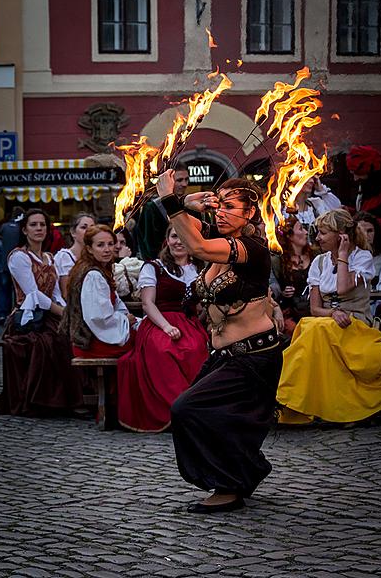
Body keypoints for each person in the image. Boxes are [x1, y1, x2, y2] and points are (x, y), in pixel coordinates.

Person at [155, 171, 283, 513]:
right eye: (218, 204)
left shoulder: (251, 249)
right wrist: (184, 201)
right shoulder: (217, 237)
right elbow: (189, 231)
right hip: (225, 356)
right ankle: (240, 477)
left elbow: (195, 245)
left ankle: (229, 486)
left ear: (251, 212)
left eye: (230, 206)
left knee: (189, 409)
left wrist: (171, 200)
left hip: (253, 358)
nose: (220, 212)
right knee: (221, 419)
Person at [277, 209, 381, 425]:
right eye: (318, 232)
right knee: (311, 326)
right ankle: (289, 395)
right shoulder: (319, 263)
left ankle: (289, 395)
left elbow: (343, 288)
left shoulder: (362, 258)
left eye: (323, 233)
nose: (317, 238)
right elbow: (315, 309)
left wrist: (343, 255)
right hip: (328, 321)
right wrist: (333, 313)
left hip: (356, 323)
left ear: (342, 235)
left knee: (316, 329)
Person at [117, 225, 208, 433]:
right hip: (158, 322)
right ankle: (176, 410)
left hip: (189, 322)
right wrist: (167, 327)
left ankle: (194, 409)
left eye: (183, 237)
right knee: (164, 349)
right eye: (174, 236)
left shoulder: (200, 269)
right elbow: (148, 304)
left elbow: (202, 306)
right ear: (167, 240)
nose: (178, 242)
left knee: (196, 349)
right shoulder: (154, 267)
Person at [0, 209, 83, 416]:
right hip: (29, 317)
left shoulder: (49, 258)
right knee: (51, 342)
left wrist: (66, 310)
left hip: (51, 312)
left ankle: (77, 397)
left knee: (73, 335)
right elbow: (33, 294)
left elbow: (54, 293)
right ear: (24, 229)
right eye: (33, 225)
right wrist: (62, 313)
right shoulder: (18, 257)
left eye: (42, 225)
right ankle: (49, 401)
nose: (39, 229)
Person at [61, 224, 137, 359]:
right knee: (148, 340)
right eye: (100, 245)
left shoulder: (98, 270)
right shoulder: (93, 275)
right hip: (93, 342)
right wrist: (125, 319)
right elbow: (98, 318)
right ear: (90, 249)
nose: (107, 249)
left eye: (110, 244)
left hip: (96, 337)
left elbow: (116, 305)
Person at [271, 218, 315, 337]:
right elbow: (273, 288)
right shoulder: (278, 261)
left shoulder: (315, 255)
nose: (306, 232)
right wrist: (282, 292)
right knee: (294, 330)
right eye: (301, 229)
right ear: (290, 236)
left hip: (313, 308)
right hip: (291, 311)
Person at [137, 162, 189, 260]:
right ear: (168, 181)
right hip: (161, 263)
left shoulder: (189, 204)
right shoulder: (152, 208)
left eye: (186, 179)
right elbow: (148, 243)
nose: (184, 184)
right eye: (179, 180)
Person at [346, 145, 381, 241]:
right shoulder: (367, 187)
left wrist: (367, 223)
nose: (355, 179)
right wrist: (349, 211)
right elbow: (365, 211)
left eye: (359, 174)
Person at [284, 176, 341, 243]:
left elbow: (337, 210)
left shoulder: (316, 203)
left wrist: (321, 190)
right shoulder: (284, 210)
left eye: (313, 178)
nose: (312, 181)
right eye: (307, 177)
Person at [54, 212, 96, 299]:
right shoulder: (65, 257)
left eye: (92, 228)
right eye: (84, 227)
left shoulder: (96, 256)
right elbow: (66, 294)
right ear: (73, 232)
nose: (88, 231)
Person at [0, 206, 24, 319]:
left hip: (4, 263)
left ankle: (3, 314)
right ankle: (16, 313)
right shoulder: (20, 229)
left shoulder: (4, 227)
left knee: (4, 290)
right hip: (17, 264)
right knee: (18, 290)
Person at [113, 227, 143, 301]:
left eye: (122, 242)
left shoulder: (137, 264)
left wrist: (124, 260)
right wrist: (122, 259)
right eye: (114, 242)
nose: (118, 246)